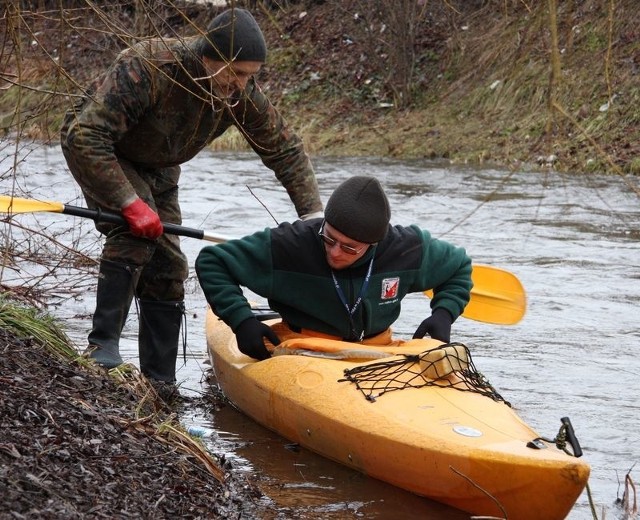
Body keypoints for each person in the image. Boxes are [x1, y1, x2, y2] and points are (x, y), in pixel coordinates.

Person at [59, 8, 323, 386]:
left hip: (161, 164)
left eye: (250, 76)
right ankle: (102, 349)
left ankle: (160, 379)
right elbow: (87, 135)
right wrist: (128, 202)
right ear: (208, 58)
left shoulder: (240, 92)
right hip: (101, 146)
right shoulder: (149, 66)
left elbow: (286, 151)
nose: (242, 84)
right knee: (135, 233)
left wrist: (313, 217)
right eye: (235, 73)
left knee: (169, 266)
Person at [195, 176, 473, 360]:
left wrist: (444, 313)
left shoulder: (406, 248)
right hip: (302, 347)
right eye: (329, 238)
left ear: (374, 243)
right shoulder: (290, 243)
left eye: (350, 247)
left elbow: (459, 267)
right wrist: (242, 320)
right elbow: (212, 261)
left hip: (378, 350)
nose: (335, 252)